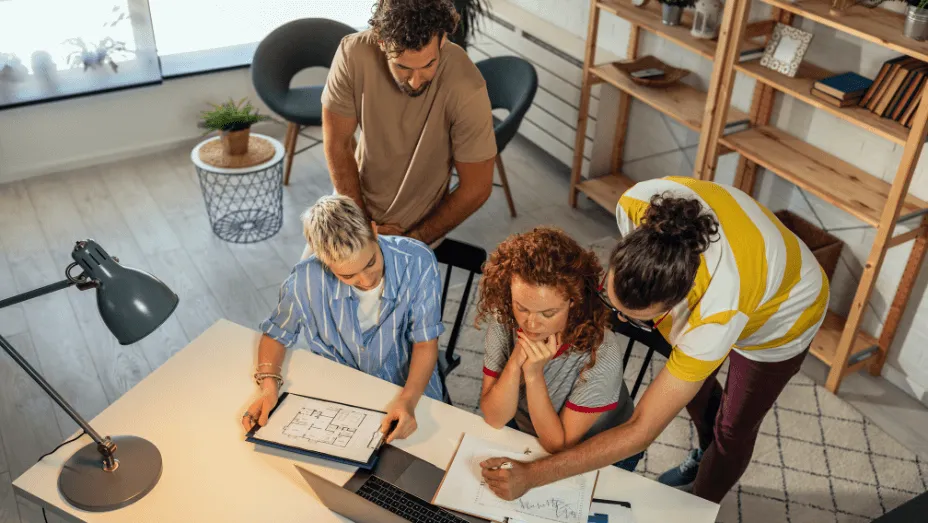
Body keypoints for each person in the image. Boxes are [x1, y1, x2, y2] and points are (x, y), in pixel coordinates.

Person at [479, 177, 829, 503]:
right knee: (695, 389)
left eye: (636, 320)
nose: (617, 321)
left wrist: (533, 476)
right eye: (609, 300)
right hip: (750, 255)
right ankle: (703, 448)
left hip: (785, 312)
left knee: (732, 429)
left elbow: (641, 430)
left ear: (677, 306)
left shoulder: (715, 317)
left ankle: (698, 504)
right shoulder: (634, 204)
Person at [241, 195, 445, 444]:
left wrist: (407, 401)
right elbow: (275, 335)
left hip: (413, 391)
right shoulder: (305, 281)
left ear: (373, 230)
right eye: (348, 276)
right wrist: (269, 386)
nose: (367, 281)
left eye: (370, 262)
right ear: (323, 260)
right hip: (343, 399)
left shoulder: (418, 261)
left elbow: (425, 343)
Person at [318, 0, 497, 249]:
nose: (415, 81)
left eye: (429, 65)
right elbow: (337, 143)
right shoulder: (353, 53)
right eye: (402, 67)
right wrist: (363, 226)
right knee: (308, 272)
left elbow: (477, 188)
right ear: (381, 41)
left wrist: (413, 240)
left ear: (442, 40)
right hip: (354, 206)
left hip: (417, 226)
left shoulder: (466, 85)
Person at [476, 227, 641, 471]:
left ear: (574, 301)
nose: (531, 324)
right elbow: (494, 417)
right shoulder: (504, 319)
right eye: (522, 308)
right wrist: (516, 361)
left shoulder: (602, 353)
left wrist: (534, 375)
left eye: (548, 313)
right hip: (527, 430)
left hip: (597, 450)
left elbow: (559, 447)